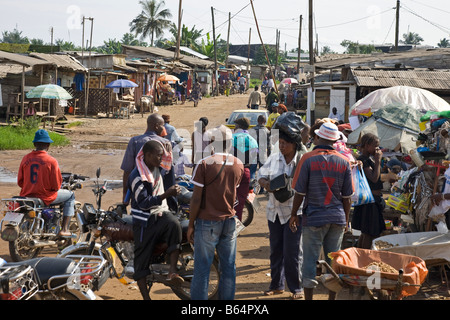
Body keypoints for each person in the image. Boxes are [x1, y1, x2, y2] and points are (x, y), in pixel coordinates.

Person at [289, 122, 354, 300]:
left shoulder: (308, 159)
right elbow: (347, 197)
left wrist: (294, 214)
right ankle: (331, 298)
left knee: (309, 261)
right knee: (333, 263)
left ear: (317, 138)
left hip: (314, 218)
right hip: (337, 218)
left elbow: (300, 192)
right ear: (335, 141)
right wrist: (346, 220)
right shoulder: (344, 161)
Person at [188, 125, 244, 300]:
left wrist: (190, 225)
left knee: (202, 270)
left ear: (212, 142)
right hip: (229, 221)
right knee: (228, 269)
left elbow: (196, 199)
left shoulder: (204, 164)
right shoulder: (238, 164)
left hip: (207, 222)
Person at [127, 140, 183, 300]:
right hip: (145, 221)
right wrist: (166, 195)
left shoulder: (159, 168)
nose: (161, 158)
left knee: (174, 224)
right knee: (141, 259)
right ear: (148, 155)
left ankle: (172, 270)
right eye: (158, 156)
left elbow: (169, 166)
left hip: (161, 213)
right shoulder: (137, 176)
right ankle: (146, 297)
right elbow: (143, 203)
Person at [257, 130, 307, 300]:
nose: (282, 145)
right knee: (275, 250)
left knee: (292, 252)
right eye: (280, 142)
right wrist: (266, 184)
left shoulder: (301, 160)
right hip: (274, 212)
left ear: (295, 144)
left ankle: (296, 287)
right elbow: (260, 176)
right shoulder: (274, 158)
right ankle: (276, 285)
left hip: (295, 212)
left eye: (286, 143)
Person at [17, 129, 75, 237]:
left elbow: (20, 182)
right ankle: (65, 229)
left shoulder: (25, 159)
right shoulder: (51, 161)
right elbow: (56, 185)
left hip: (27, 196)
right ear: (48, 145)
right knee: (70, 196)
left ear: (35, 144)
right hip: (44, 197)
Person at [121, 114, 175, 206]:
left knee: (138, 213)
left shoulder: (134, 141)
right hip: (158, 191)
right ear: (157, 126)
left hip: (139, 189)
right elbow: (169, 172)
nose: (164, 128)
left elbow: (127, 170)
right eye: (162, 125)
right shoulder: (165, 143)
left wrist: (125, 193)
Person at [351, 133, 386, 249]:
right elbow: (374, 178)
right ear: (367, 145)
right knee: (369, 233)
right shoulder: (363, 160)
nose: (377, 149)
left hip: (371, 201)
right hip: (369, 202)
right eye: (375, 146)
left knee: (367, 232)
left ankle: (360, 254)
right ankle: (363, 256)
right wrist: (377, 161)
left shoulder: (367, 159)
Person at [232, 117, 259, 221]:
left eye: (236, 125)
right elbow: (254, 158)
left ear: (238, 126)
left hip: (232, 171)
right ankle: (237, 222)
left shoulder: (232, 138)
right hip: (246, 171)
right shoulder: (252, 140)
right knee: (241, 199)